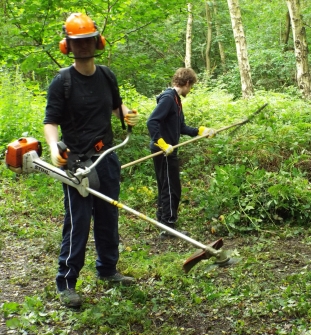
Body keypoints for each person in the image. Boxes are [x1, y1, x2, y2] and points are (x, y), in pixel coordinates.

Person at [43, 13, 139, 308]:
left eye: (87, 40)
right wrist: (52, 147)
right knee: (78, 222)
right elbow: (51, 121)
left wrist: (125, 114)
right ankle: (67, 282)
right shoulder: (63, 81)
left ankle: (108, 270)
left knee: (109, 216)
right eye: (77, 42)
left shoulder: (107, 75)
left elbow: (115, 106)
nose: (83, 46)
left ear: (97, 41)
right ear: (67, 46)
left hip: (106, 157)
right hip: (77, 163)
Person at [147, 68, 215, 239]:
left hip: (167, 150)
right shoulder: (169, 98)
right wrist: (162, 143)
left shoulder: (176, 100)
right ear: (186, 83)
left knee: (166, 186)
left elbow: (181, 127)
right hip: (163, 152)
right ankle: (168, 226)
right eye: (191, 87)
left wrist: (201, 131)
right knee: (171, 188)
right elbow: (152, 121)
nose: (190, 90)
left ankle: (163, 221)